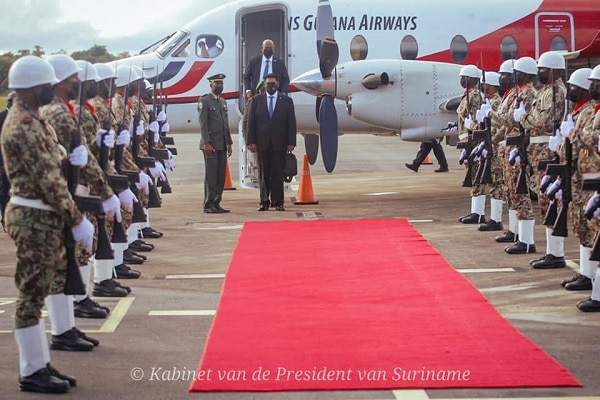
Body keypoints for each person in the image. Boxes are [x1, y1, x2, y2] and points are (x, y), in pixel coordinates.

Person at [1, 55, 95, 393]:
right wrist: (77, 218)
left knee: (41, 288)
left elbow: (52, 157)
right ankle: (31, 371)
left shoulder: (32, 118)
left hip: (42, 215)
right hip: (33, 217)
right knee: (31, 293)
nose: (50, 91)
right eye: (45, 87)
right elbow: (49, 181)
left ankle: (39, 363)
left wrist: (68, 155)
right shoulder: (23, 125)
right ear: (30, 88)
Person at [515, 51, 567, 265]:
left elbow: (542, 120)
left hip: (547, 149)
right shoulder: (545, 91)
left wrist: (523, 118)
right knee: (545, 200)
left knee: (550, 199)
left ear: (554, 70)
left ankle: (556, 254)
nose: (540, 73)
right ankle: (551, 251)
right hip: (538, 149)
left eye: (543, 69)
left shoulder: (557, 92)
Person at [246, 73, 297, 211]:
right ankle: (264, 201)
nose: (270, 86)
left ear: (278, 84)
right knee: (263, 174)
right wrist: (250, 141)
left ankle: (278, 202)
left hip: (279, 144)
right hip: (262, 143)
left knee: (278, 174)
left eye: (273, 84)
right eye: (268, 84)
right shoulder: (256, 100)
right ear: (264, 85)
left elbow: (291, 122)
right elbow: (251, 122)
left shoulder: (286, 101)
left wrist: (291, 141)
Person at [198, 73, 233, 213]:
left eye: (221, 84)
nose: (219, 86)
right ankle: (208, 203)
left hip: (222, 144)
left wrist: (229, 143)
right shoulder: (204, 101)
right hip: (211, 145)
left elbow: (225, 125)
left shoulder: (222, 102)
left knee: (220, 175)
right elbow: (203, 124)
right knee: (211, 175)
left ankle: (217, 202)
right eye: (217, 84)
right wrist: (206, 142)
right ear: (211, 85)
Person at [456, 65, 484, 224]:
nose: (462, 79)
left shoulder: (474, 95)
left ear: (473, 79)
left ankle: (478, 212)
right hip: (467, 139)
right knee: (471, 174)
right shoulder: (467, 94)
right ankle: (475, 210)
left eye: (465, 76)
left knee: (474, 174)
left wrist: (469, 142)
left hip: (472, 140)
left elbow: (474, 119)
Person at [0, 91, 17, 231]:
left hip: (20, 163)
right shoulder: (1, 117)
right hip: (4, 163)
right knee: (5, 190)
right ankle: (5, 219)